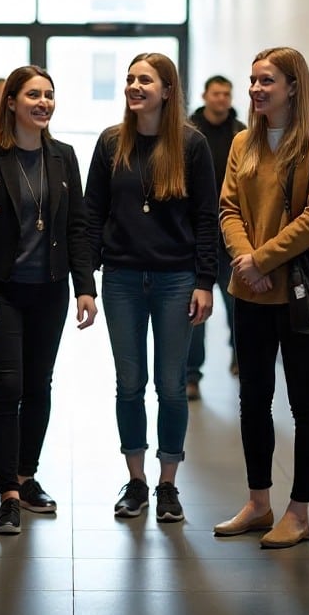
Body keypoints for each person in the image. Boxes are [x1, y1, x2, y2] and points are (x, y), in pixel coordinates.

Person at [0, 66, 98, 534]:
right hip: (1, 289)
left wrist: (85, 286)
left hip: (50, 289)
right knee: (7, 386)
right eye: (34, 94)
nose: (44, 102)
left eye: (49, 95)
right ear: (11, 102)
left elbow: (77, 225)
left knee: (39, 385)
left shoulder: (63, 156)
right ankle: (7, 495)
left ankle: (26, 476)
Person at [214, 48, 309, 549]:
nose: (255, 89)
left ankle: (299, 511)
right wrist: (245, 258)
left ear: (293, 86)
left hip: (297, 293)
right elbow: (228, 208)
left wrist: (262, 260)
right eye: (252, 80)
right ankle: (258, 502)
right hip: (250, 290)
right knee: (253, 400)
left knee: (304, 400)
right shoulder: (243, 141)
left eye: (266, 80)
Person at [85, 52, 218, 523]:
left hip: (176, 280)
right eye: (130, 79)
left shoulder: (192, 144)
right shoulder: (111, 142)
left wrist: (205, 281)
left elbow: (207, 217)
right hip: (121, 279)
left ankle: (168, 485)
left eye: (145, 79)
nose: (134, 86)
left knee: (172, 386)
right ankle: (137, 481)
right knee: (129, 384)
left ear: (167, 90)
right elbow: (91, 213)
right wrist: (86, 281)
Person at [187, 74, 245, 396]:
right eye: (216, 93)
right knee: (195, 309)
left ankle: (239, 354)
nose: (221, 99)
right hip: (194, 236)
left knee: (237, 305)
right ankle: (192, 375)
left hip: (231, 236)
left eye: (226, 94)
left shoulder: (242, 133)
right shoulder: (188, 132)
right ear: (205, 96)